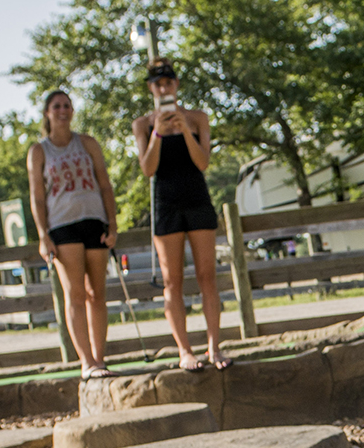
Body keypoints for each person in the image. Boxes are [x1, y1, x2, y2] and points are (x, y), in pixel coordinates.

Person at [132, 58, 228, 372]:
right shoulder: (143, 125)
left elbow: (202, 162)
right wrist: (159, 133)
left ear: (176, 85)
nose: (164, 87)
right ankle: (185, 350)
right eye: (158, 83)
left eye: (169, 82)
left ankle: (214, 347)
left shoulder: (198, 117)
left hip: (197, 198)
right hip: (166, 203)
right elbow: (148, 169)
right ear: (150, 88)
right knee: (172, 281)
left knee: (207, 276)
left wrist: (184, 128)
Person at [28, 89, 121, 380]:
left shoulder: (88, 143)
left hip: (94, 220)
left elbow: (105, 184)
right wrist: (43, 235)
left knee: (98, 293)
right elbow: (37, 196)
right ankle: (86, 361)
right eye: (57, 106)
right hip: (62, 225)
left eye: (67, 105)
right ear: (47, 112)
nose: (63, 110)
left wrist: (113, 223)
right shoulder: (39, 151)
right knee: (75, 293)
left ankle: (100, 357)